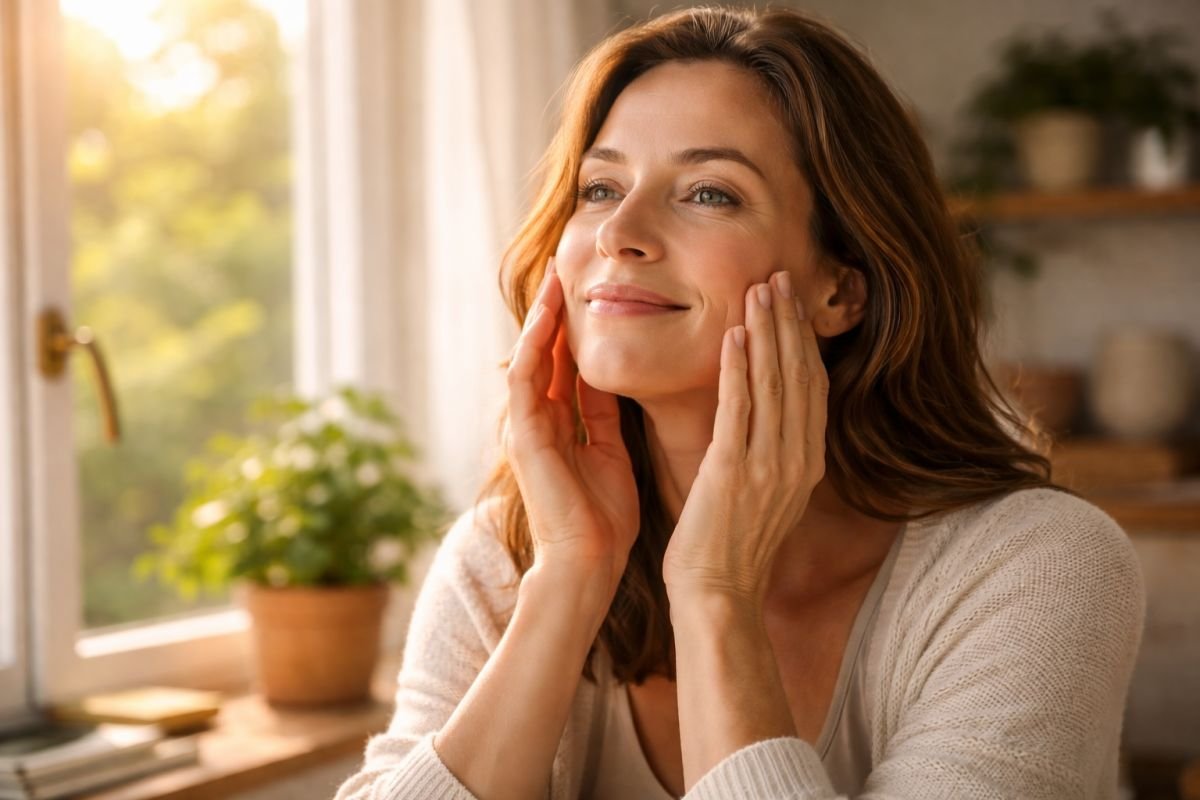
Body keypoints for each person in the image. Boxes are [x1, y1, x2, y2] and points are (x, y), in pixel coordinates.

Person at [333, 7, 1145, 799]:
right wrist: (570, 580)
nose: (620, 232)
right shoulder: (505, 558)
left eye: (709, 193)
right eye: (600, 186)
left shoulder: (1039, 568)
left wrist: (717, 592)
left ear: (842, 289)